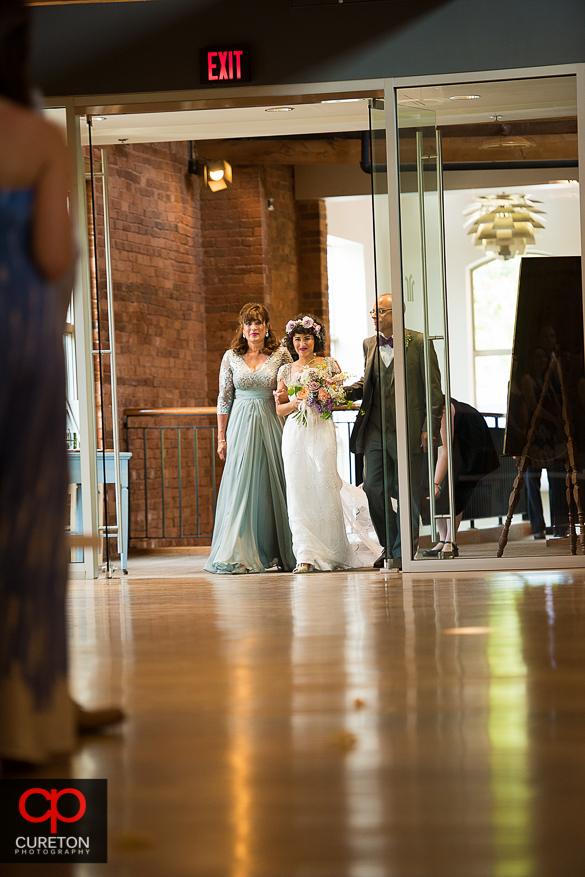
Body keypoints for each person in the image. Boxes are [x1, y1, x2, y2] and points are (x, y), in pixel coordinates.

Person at [0, 0, 122, 766]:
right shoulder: (36, 138)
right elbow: (51, 258)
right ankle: (30, 707)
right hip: (19, 342)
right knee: (25, 522)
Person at [345, 294, 443, 570]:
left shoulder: (419, 342)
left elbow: (433, 389)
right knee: (374, 488)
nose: (374, 316)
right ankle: (390, 544)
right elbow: (369, 381)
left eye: (380, 311)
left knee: (408, 493)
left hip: (408, 428)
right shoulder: (369, 344)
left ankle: (403, 551)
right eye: (372, 312)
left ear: (396, 313)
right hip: (375, 428)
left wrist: (429, 428)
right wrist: (339, 391)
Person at [205, 302, 295, 574]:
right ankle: (240, 552)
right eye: (249, 323)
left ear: (267, 328)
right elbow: (224, 398)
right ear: (242, 329)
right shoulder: (231, 356)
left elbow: (293, 388)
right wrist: (221, 437)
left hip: (272, 422)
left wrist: (285, 396)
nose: (253, 328)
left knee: (272, 485)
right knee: (241, 484)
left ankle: (279, 551)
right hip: (241, 424)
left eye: (258, 323)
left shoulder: (281, 354)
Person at [275, 315, 357, 573]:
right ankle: (305, 555)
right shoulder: (286, 371)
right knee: (299, 491)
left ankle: (333, 552)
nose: (302, 344)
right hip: (296, 434)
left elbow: (341, 399)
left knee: (324, 484)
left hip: (321, 430)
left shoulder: (329, 364)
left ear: (315, 339)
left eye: (307, 338)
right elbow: (279, 410)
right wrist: (297, 402)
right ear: (292, 342)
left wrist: (323, 397)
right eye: (297, 339)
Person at [422, 399, 500, 558]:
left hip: (470, 441)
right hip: (454, 439)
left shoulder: (442, 410)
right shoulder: (417, 412)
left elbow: (444, 452)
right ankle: (443, 539)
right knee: (429, 481)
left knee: (455, 486)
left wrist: (436, 483)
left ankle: (452, 541)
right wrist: (433, 483)